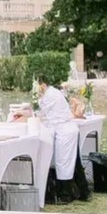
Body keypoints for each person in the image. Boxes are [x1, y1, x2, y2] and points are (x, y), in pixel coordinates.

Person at [37, 75, 91, 204]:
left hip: (65, 132)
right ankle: (82, 191)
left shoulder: (50, 95)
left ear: (43, 85)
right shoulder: (54, 93)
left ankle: (67, 194)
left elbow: (42, 110)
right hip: (67, 129)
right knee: (74, 162)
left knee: (63, 163)